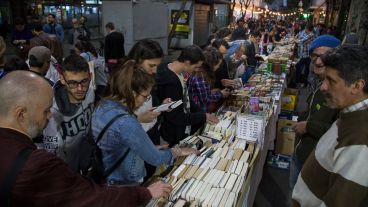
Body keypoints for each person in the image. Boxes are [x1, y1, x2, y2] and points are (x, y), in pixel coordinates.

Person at [0, 70, 172, 206]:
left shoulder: (103, 105)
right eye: (46, 110)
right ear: (21, 114)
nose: (51, 115)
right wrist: (146, 193)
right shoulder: (36, 164)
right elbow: (92, 198)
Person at [91, 60, 198, 185]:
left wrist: (146, 147)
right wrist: (178, 151)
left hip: (108, 174)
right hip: (125, 181)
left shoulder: (102, 106)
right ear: (132, 93)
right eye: (145, 97)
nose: (144, 102)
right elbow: (156, 158)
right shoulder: (127, 122)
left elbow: (116, 140)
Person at [292, 44, 368, 207]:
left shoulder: (361, 139)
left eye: (331, 81)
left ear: (357, 86)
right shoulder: (350, 115)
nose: (323, 86)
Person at [289, 35, 341, 193]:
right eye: (314, 56)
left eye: (324, 57)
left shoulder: (341, 92)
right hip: (302, 153)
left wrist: (309, 126)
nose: (318, 62)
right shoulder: (319, 83)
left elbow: (343, 134)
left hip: (317, 164)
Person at [156, 45, 219, 146]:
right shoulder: (170, 82)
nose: (196, 70)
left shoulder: (176, 70)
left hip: (181, 129)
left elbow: (187, 97)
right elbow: (176, 116)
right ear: (187, 62)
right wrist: (203, 116)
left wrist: (204, 114)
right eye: (196, 67)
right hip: (172, 135)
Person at [42, 55, 95, 172]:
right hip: (65, 168)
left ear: (90, 76)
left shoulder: (91, 92)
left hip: (87, 157)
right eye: (72, 83)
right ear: (62, 79)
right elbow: (52, 148)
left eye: (84, 81)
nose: (80, 89)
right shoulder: (51, 108)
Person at [187, 48, 230, 113]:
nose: (218, 67)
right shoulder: (201, 76)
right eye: (218, 64)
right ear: (212, 64)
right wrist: (221, 94)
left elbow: (202, 93)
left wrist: (213, 92)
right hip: (198, 112)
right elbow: (205, 99)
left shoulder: (203, 73)